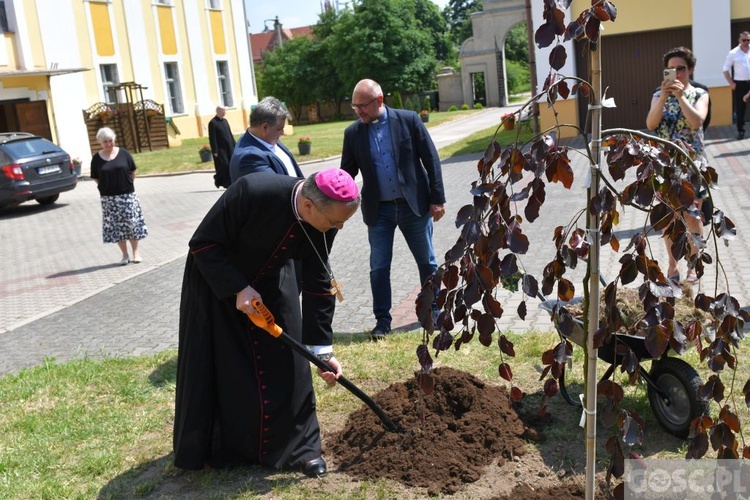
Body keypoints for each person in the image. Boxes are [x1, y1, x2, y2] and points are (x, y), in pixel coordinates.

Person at [173, 168, 360, 477]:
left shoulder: (328, 215)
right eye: (335, 222)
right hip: (218, 281)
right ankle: (233, 446)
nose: (338, 227)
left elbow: (317, 279)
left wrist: (322, 352)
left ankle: (302, 448)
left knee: (292, 361)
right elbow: (203, 243)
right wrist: (237, 287)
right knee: (229, 365)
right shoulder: (253, 190)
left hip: (273, 279)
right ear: (310, 205)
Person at [340, 78, 446, 341]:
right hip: (380, 211)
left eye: (362, 106)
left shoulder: (408, 121)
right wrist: (335, 205)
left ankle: (434, 311)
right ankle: (382, 321)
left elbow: (431, 159)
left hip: (414, 206)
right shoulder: (353, 133)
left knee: (427, 262)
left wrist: (437, 198)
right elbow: (346, 174)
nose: (359, 111)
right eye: (355, 107)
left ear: (379, 100)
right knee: (379, 266)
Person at [646, 46, 709, 283]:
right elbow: (651, 125)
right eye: (670, 69)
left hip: (693, 165)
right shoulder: (657, 95)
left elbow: (696, 122)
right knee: (669, 218)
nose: (676, 73)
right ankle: (672, 266)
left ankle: (693, 266)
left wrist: (681, 96)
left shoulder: (700, 94)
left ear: (690, 69)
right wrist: (663, 97)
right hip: (665, 166)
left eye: (680, 68)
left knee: (693, 217)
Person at [90, 127, 148, 265]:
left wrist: (128, 183)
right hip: (108, 199)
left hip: (127, 195)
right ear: (100, 142)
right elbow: (96, 177)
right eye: (105, 142)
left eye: (110, 141)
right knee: (116, 227)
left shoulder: (124, 153)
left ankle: (136, 253)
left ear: (114, 140)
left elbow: (133, 170)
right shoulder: (96, 159)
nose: (108, 144)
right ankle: (124, 255)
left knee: (132, 224)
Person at [229, 97, 303, 183]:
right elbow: (277, 190)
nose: (283, 133)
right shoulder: (249, 158)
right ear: (265, 127)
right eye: (279, 129)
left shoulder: (268, 139)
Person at [722, 32, 750, 140]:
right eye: (744, 40)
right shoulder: (733, 53)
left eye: (748, 40)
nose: (746, 42)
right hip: (740, 84)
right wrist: (732, 84)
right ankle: (741, 131)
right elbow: (725, 69)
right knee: (740, 109)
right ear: (739, 40)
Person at [207, 105, 236, 188]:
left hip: (229, 147)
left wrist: (235, 145)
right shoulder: (213, 123)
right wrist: (215, 150)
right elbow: (212, 138)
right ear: (219, 111)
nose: (225, 112)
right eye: (223, 110)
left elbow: (230, 134)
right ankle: (218, 179)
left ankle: (228, 183)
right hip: (220, 149)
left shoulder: (225, 121)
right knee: (224, 165)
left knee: (230, 164)